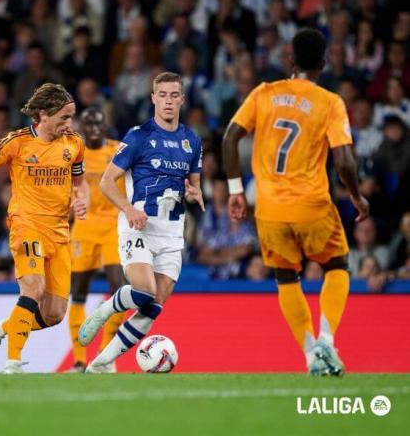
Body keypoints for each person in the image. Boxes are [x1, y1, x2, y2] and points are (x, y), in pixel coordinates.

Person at [221, 29, 370, 376]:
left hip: (269, 209)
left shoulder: (264, 93)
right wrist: (356, 195)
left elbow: (229, 139)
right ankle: (327, 341)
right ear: (324, 62)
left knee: (287, 277)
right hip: (311, 206)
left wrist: (236, 191)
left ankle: (308, 354)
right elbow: (345, 161)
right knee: (337, 265)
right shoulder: (330, 102)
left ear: (290, 60)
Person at [78, 71, 205, 373]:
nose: (168, 101)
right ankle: (105, 310)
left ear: (182, 99)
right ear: (153, 99)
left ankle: (100, 364)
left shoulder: (192, 140)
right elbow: (107, 182)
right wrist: (127, 208)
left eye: (174, 95)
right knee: (144, 291)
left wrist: (193, 193)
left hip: (172, 235)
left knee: (152, 308)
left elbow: (194, 185)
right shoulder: (138, 136)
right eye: (162, 95)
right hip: (139, 227)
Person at [0, 83, 89, 374]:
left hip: (60, 233)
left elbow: (80, 181)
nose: (69, 124)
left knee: (54, 314)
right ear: (43, 116)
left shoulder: (74, 143)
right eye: (64, 117)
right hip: (27, 225)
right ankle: (13, 363)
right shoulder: (17, 142)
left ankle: (0, 329)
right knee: (33, 289)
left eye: (71, 117)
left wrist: (82, 199)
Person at [66, 107, 126, 373]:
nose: (92, 129)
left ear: (105, 127)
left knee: (119, 288)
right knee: (78, 293)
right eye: (88, 125)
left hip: (114, 226)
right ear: (82, 127)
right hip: (84, 228)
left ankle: (104, 355)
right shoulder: (74, 152)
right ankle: (80, 360)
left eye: (97, 125)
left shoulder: (119, 150)